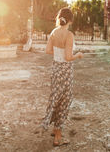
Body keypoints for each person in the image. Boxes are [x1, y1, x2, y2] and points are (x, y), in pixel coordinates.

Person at [41, 7, 83, 146]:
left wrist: (58, 53)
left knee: (55, 97)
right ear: (70, 20)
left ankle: (53, 127)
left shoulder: (53, 32)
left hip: (55, 69)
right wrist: (78, 55)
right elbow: (68, 57)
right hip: (65, 71)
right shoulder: (69, 35)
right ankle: (58, 135)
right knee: (65, 100)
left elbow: (48, 51)